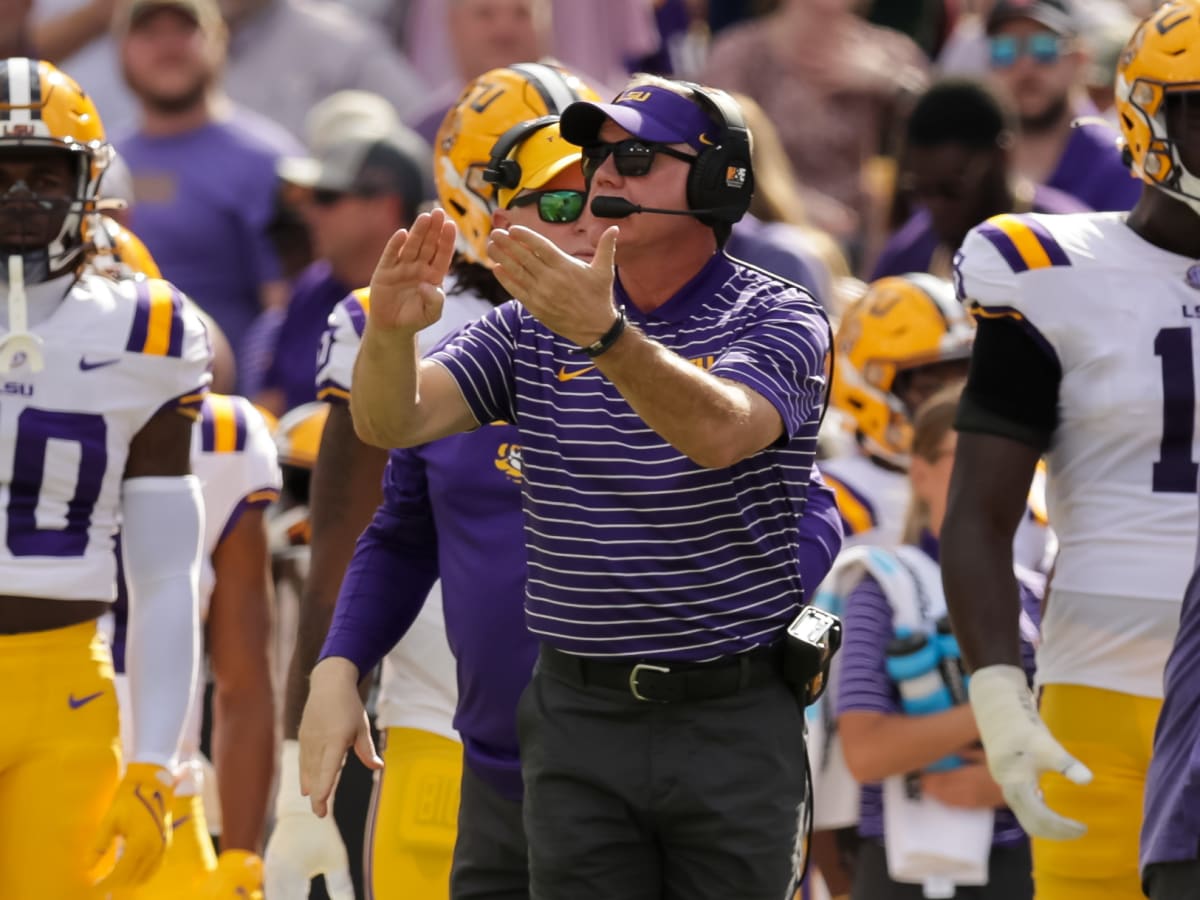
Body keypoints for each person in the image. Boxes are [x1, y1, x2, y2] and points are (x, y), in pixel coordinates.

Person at [315, 75, 836, 900]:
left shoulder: (778, 314)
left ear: (715, 182)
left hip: (730, 714)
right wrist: (388, 333)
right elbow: (395, 422)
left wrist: (603, 336)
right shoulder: (528, 323)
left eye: (634, 156)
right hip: (576, 714)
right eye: (598, 157)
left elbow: (720, 431)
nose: (605, 177)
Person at [264, 61, 600, 900]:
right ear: (470, 190)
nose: (570, 214)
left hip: (626, 742)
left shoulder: (660, 312)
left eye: (579, 186)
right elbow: (352, 544)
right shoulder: (399, 315)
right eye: (527, 185)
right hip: (441, 728)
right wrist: (297, 765)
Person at [942, 4, 1200, 898]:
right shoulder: (1054, 268)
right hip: (1101, 688)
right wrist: (999, 693)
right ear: (1147, 117)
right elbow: (980, 508)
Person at [0, 58, 211, 895]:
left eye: (44, 173)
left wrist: (156, 760)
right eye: (1, 174)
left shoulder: (146, 328)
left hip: (66, 692)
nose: (20, 195)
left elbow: (164, 577)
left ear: (87, 180)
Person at [836, 385, 1037, 899]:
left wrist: (1014, 788)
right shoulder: (883, 583)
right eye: (967, 455)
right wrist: (1000, 711)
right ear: (920, 473)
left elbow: (1088, 747)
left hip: (1030, 864)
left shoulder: (1039, 593)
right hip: (906, 875)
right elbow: (866, 751)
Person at [116, 0, 302, 384]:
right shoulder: (95, 162)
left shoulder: (271, 164)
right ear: (121, 49)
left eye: (185, 30)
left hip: (223, 410)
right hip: (110, 402)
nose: (168, 47)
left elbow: (289, 312)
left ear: (220, 39)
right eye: (150, 33)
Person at [257, 125, 432, 415]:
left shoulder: (435, 300)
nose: (308, 212)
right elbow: (273, 401)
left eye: (326, 197)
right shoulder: (313, 285)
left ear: (384, 207)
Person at [871, 78, 1085, 281]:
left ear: (1002, 156)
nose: (935, 207)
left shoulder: (1066, 244)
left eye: (951, 189)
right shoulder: (904, 262)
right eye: (919, 191)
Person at [985, 0, 1141, 212]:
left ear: (1080, 58)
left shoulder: (1121, 166)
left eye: (1044, 47)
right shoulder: (975, 165)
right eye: (1004, 49)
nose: (1025, 65)